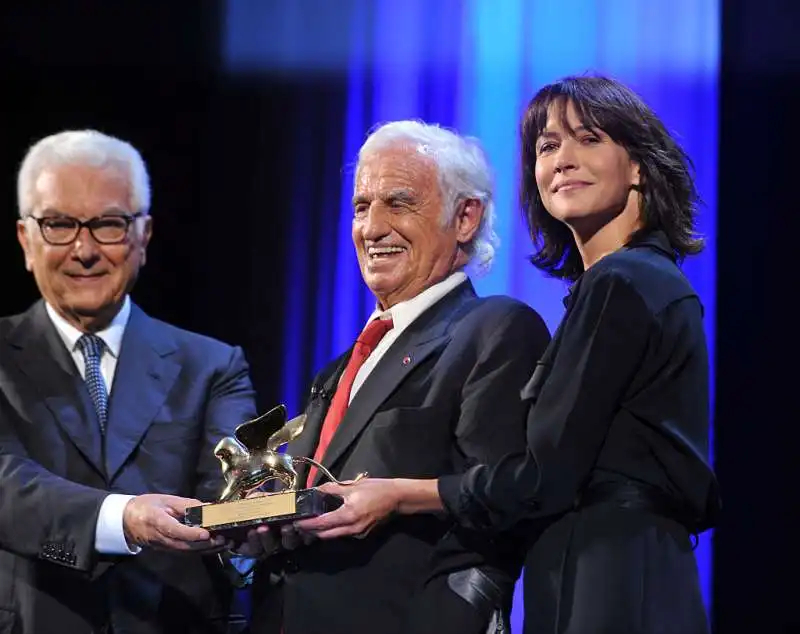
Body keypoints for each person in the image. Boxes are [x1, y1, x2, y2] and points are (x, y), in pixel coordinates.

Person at [297, 76, 722, 634]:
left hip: (610, 579)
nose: (563, 160)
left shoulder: (623, 281)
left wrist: (398, 493)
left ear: (639, 166)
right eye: (547, 147)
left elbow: (541, 477)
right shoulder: (627, 284)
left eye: (588, 139)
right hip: (612, 567)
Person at [244, 121, 551, 634]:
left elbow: (509, 497)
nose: (372, 227)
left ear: (466, 216)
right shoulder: (342, 366)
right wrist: (271, 516)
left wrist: (397, 496)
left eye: (400, 203)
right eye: (362, 206)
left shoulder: (495, 330)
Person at [0, 129, 258, 634]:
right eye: (58, 224)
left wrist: (247, 526)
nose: (84, 249)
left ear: (144, 236)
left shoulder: (213, 366)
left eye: (109, 225)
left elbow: (231, 494)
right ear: (25, 240)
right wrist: (124, 517)